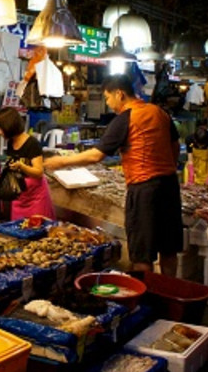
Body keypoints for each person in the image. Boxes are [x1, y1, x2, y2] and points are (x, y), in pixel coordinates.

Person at [44, 74, 183, 276]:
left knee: (142, 254)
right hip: (170, 186)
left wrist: (61, 161)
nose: (108, 104)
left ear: (119, 94)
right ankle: (169, 297)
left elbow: (96, 156)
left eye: (108, 98)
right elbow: (175, 147)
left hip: (144, 189)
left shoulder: (125, 118)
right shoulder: (159, 112)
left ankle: (146, 301)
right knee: (168, 249)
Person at [0, 107, 55, 221]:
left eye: (1, 128)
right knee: (18, 228)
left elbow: (39, 172)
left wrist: (22, 166)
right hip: (20, 194)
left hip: (36, 197)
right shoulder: (11, 142)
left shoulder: (32, 143)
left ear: (10, 125)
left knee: (36, 229)